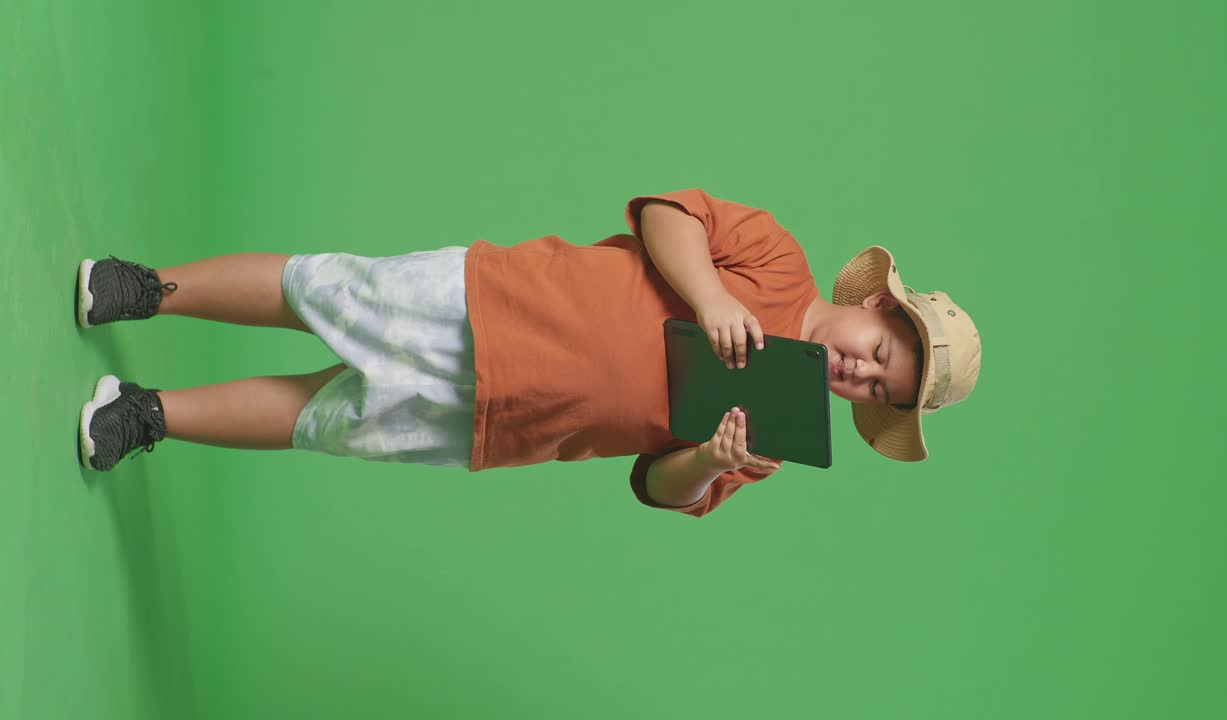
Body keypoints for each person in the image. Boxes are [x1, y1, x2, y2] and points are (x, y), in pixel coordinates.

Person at [75, 189, 982, 518]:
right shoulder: (776, 258)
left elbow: (656, 487)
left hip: (511, 422)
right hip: (495, 301)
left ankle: (147, 414)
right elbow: (667, 211)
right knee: (322, 292)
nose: (861, 373)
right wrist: (709, 297)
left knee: (322, 418)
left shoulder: (774, 435)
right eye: (877, 351)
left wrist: (710, 460)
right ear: (872, 306)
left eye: (877, 387)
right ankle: (148, 288)